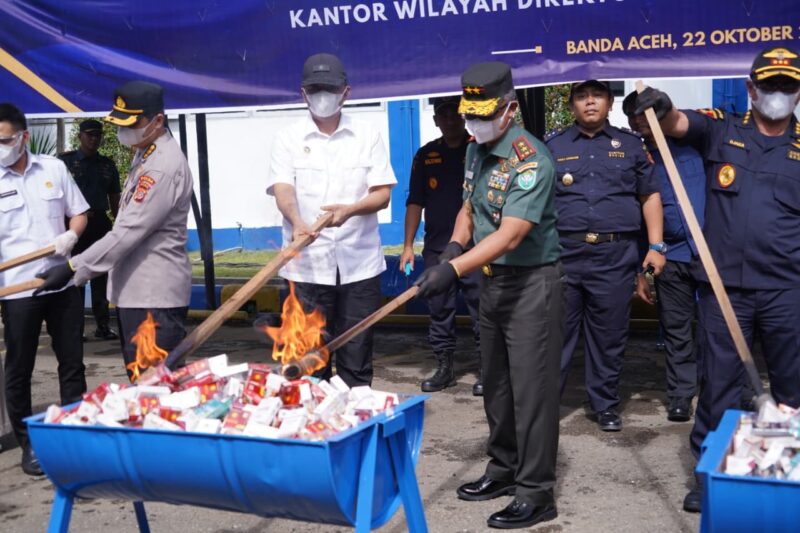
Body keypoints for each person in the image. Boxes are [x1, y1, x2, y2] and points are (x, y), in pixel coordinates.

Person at [634, 45, 800, 513]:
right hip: (725, 291)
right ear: (751, 89)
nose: (778, 94)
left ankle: (780, 476)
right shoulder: (722, 130)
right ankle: (709, 474)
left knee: (790, 389)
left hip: (787, 290)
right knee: (719, 387)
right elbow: (676, 123)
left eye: (787, 86)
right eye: (769, 86)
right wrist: (658, 105)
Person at [416, 61, 563, 530]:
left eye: (483, 114)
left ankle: (536, 492)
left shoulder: (530, 159)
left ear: (510, 109)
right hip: (492, 282)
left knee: (531, 391)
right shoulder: (478, 150)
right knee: (496, 384)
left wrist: (455, 268)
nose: (473, 123)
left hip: (530, 285)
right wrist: (453, 248)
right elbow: (469, 208)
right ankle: (503, 470)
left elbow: (512, 234)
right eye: (469, 114)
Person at [34, 81, 194, 379]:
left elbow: (127, 231)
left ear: (158, 120)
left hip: (153, 296)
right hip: (139, 292)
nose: (124, 130)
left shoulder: (161, 166)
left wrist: (73, 267)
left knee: (157, 392)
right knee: (144, 386)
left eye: (132, 122)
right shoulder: (146, 153)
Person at [266, 53, 397, 387]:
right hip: (306, 265)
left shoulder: (367, 135)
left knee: (356, 357)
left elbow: (383, 193)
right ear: (303, 93)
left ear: (346, 92)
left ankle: (356, 425)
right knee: (308, 365)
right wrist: (296, 220)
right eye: (316, 89)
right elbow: (283, 188)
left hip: (360, 264)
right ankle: (313, 432)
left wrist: (349, 210)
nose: (323, 96)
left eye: (330, 89)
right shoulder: (288, 137)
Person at [545, 80, 666, 432]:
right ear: (572, 105)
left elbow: (650, 197)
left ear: (610, 103)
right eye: (581, 97)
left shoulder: (630, 145)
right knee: (556, 335)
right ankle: (546, 406)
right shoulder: (552, 146)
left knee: (609, 336)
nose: (590, 102)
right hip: (564, 253)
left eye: (597, 96)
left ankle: (605, 404)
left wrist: (656, 246)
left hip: (615, 255)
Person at [0, 102, 89, 475]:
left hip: (61, 281)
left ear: (22, 136)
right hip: (18, 289)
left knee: (72, 362)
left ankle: (75, 435)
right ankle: (28, 443)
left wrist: (71, 235)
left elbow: (79, 211)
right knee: (19, 367)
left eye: (3, 139)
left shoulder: (54, 168)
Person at [622, 91, 705, 423]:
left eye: (646, 115)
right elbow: (638, 218)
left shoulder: (696, 145)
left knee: (720, 329)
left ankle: (732, 391)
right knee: (677, 329)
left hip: (711, 253)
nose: (640, 122)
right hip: (670, 256)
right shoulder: (638, 160)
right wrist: (640, 271)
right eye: (634, 118)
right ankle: (681, 394)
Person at [401, 96, 482, 394]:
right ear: (436, 120)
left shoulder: (478, 150)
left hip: (476, 248)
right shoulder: (426, 155)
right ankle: (444, 367)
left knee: (482, 310)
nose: (449, 119)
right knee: (439, 310)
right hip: (437, 247)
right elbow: (415, 202)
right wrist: (408, 245)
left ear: (463, 118)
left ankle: (487, 368)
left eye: (454, 114)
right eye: (443, 115)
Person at [58, 119, 121, 342]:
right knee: (75, 275)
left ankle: (103, 326)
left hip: (100, 224)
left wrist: (119, 224)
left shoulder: (107, 165)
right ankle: (75, 328)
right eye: (90, 135)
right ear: (80, 136)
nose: (94, 139)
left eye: (98, 135)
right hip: (74, 225)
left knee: (100, 275)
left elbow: (115, 197)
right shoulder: (64, 163)